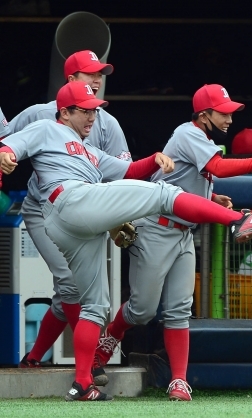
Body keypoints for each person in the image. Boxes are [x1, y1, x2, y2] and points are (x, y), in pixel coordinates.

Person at [0, 81, 252, 401]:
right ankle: (240, 222)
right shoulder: (46, 128)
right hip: (68, 201)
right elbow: (11, 145)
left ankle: (82, 383)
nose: (93, 116)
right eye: (85, 110)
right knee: (165, 194)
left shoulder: (89, 151)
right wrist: (7, 157)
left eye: (95, 109)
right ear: (64, 112)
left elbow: (128, 170)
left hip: (76, 226)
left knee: (95, 305)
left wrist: (155, 159)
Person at [92, 84, 252, 402]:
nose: (229, 118)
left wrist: (214, 197)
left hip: (183, 233)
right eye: (223, 112)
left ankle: (179, 381)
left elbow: (198, 180)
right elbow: (218, 167)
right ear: (204, 114)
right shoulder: (187, 133)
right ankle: (110, 336)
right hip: (156, 227)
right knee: (142, 310)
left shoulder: (201, 139)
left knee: (180, 310)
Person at [5, 50, 131, 386]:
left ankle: (32, 358)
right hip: (45, 208)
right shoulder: (41, 115)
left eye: (100, 75)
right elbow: (6, 141)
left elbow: (121, 172)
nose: (97, 80)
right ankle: (88, 370)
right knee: (72, 284)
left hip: (90, 210)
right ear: (70, 80)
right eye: (90, 74)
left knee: (67, 292)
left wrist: (118, 216)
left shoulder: (107, 121)